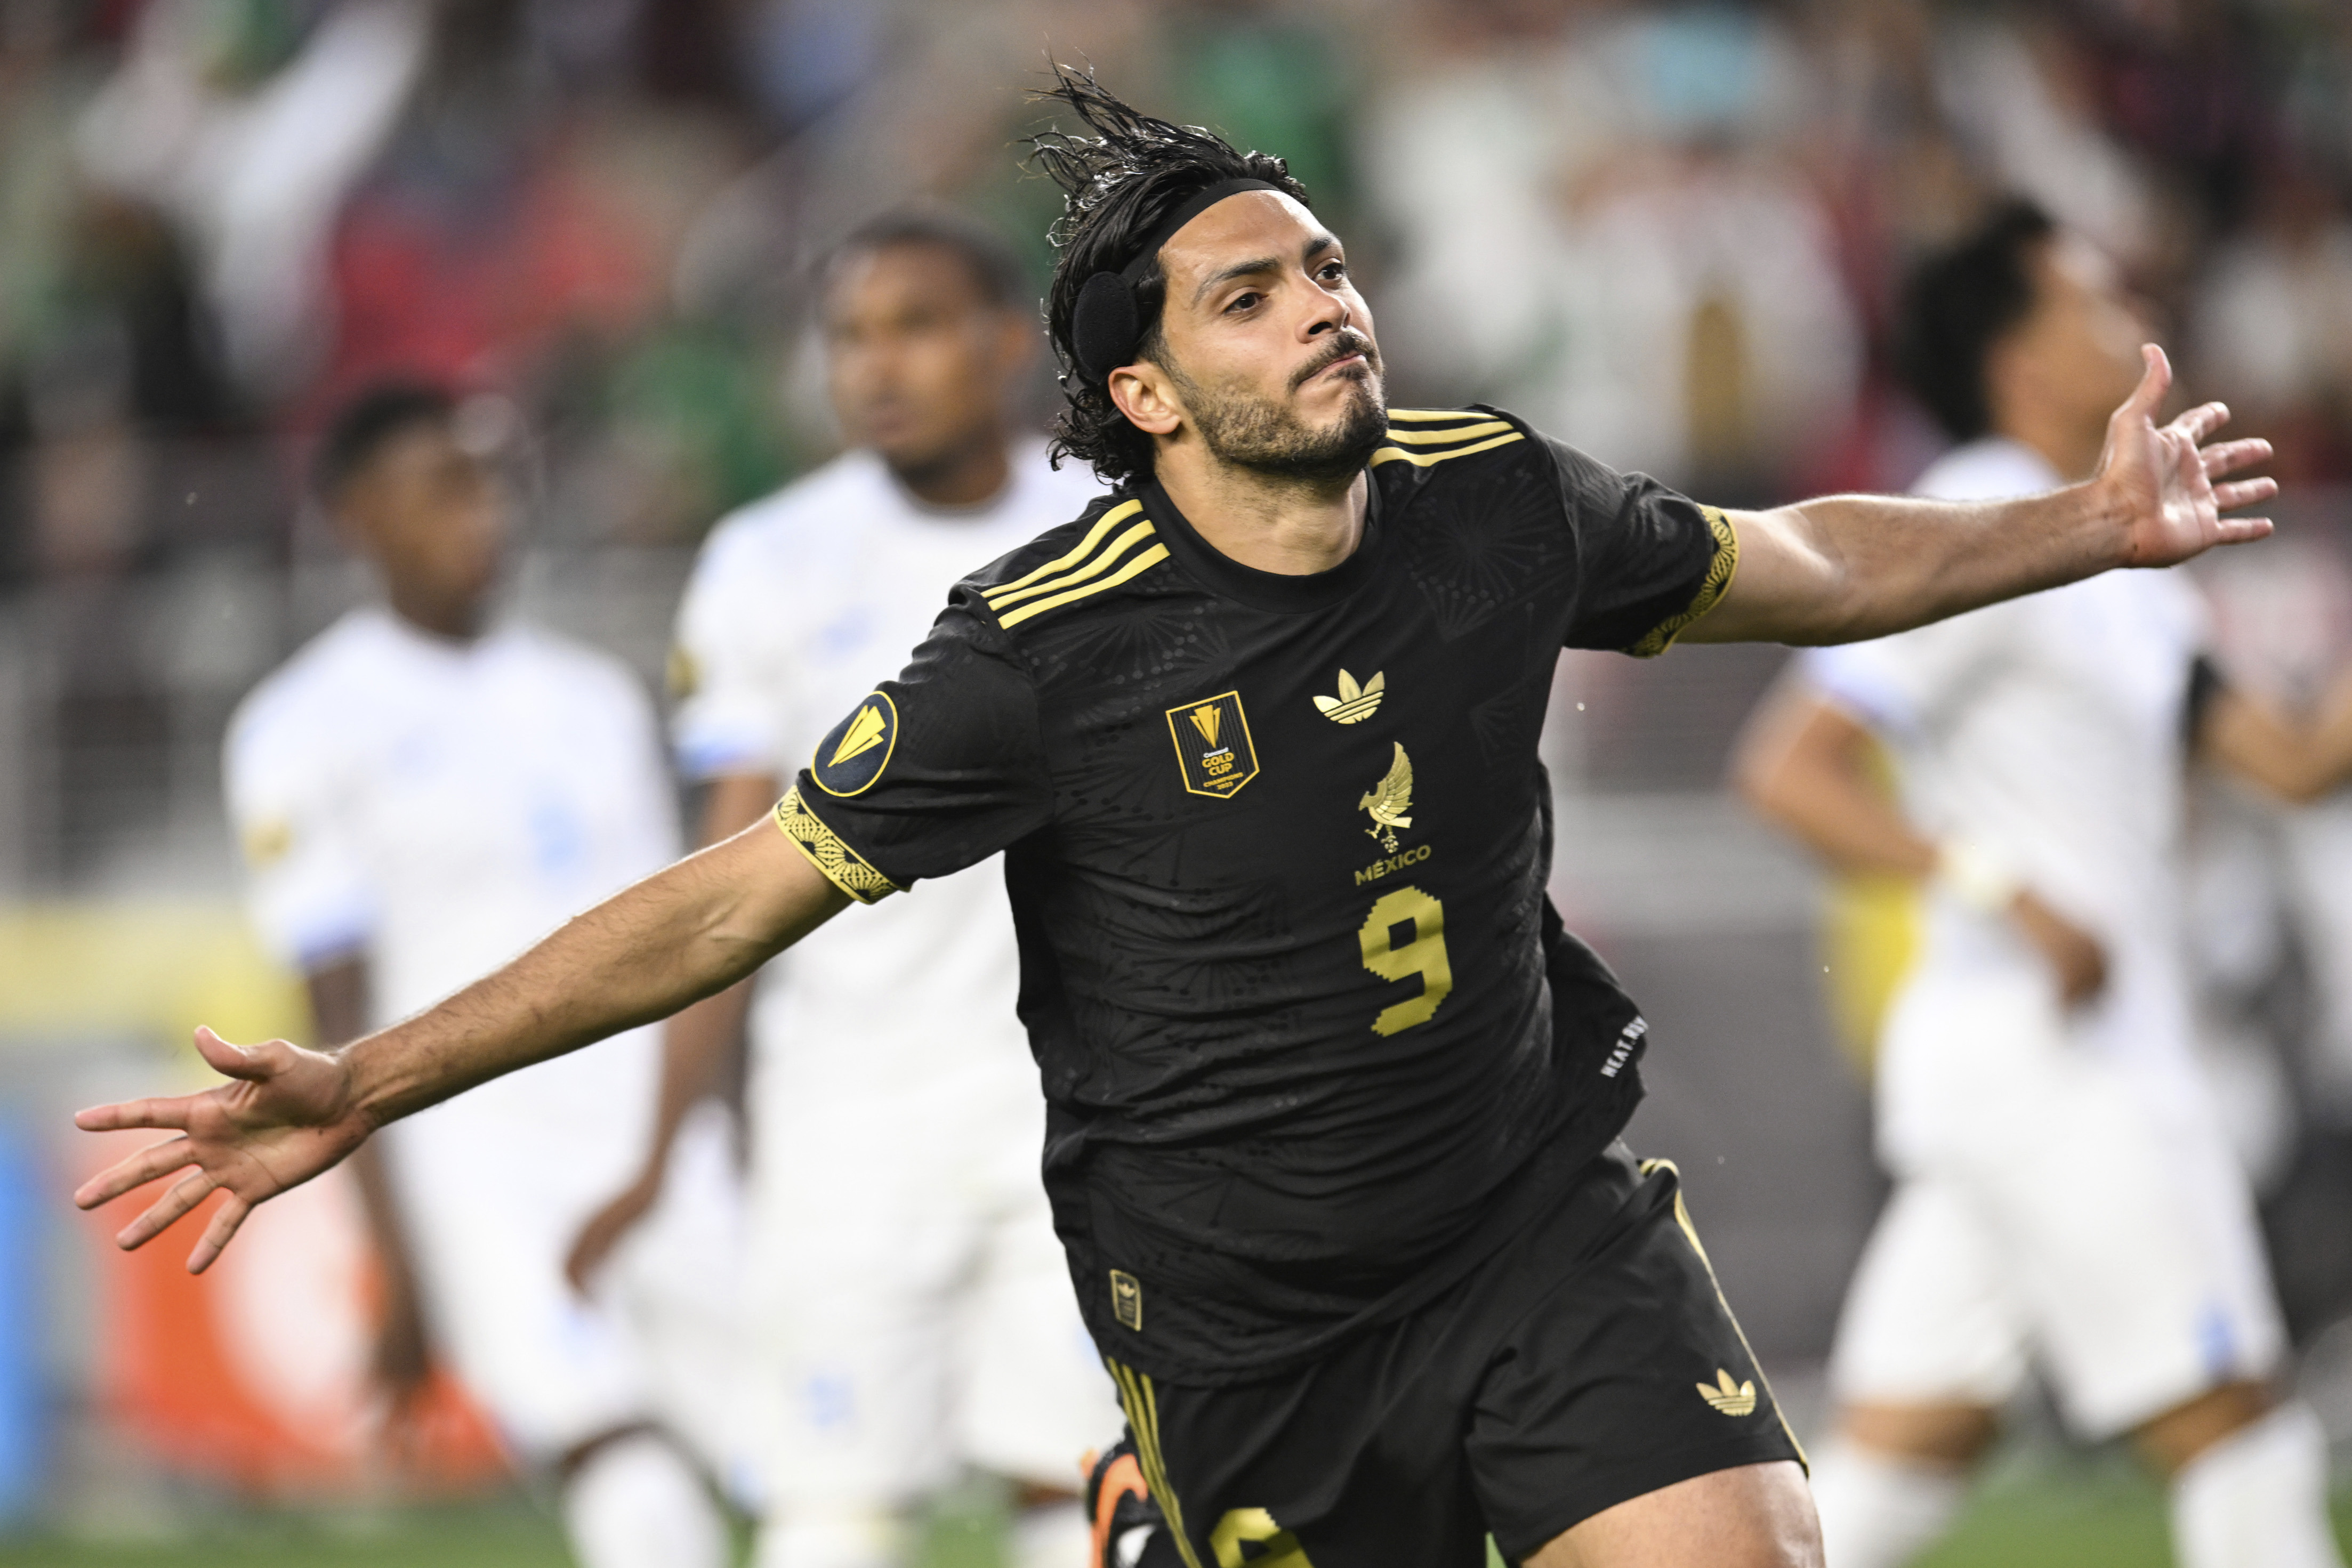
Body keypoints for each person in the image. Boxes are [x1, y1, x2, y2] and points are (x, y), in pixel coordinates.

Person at [80, 75, 2278, 1568]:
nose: (1325, 303)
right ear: (1145, 396)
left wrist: (2077, 527)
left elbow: (1793, 561)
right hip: (1244, 1332)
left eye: (1324, 264)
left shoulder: (1484, 495)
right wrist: (366, 1084)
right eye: (1253, 292)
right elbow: (732, 894)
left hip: (1530, 1221)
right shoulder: (1036, 649)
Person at [1734, 200, 2352, 1568]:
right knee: (2246, 1438)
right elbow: (1788, 768)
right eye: (2084, 301)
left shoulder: (2124, 554)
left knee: (1881, 1488)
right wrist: (1997, 880)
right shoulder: (1974, 525)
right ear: (2013, 359)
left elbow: (2295, 763)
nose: (2124, 314)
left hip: (2013, 1082)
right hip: (2065, 1069)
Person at [561, 207, 1119, 1568]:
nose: (874, 366)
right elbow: (722, 879)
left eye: (914, 327)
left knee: (1081, 1489)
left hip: (1083, 1104)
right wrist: (664, 1142)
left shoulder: (1116, 534)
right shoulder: (768, 559)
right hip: (846, 1117)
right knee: (831, 1511)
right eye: (849, 336)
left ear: (1001, 345)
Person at [219, 383, 740, 1568]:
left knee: (814, 1461)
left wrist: (704, 1128)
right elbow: (332, 1026)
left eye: (491, 484)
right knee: (622, 1468)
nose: (482, 515)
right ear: (357, 513)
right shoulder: (300, 724)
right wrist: (396, 1260)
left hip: (653, 1126)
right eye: (442, 488)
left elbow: (694, 936)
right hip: (476, 1154)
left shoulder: (594, 698)